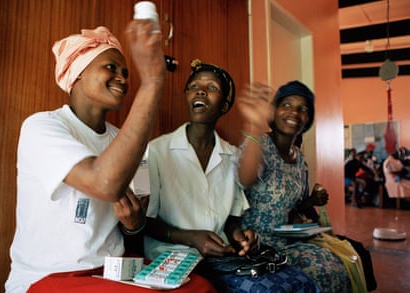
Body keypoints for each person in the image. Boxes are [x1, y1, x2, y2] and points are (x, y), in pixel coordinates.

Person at [4, 23, 168, 292]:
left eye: (126, 72)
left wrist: (134, 226)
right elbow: (104, 182)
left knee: (201, 287)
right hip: (49, 277)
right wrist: (151, 84)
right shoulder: (41, 126)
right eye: (111, 68)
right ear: (78, 74)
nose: (124, 79)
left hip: (111, 274)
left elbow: (137, 231)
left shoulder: (129, 140)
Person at [144, 63, 320, 292]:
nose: (200, 91)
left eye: (212, 87)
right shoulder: (155, 151)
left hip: (222, 260)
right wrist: (191, 238)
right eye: (194, 86)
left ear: (224, 105)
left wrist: (242, 237)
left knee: (303, 283)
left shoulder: (232, 156)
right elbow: (143, 222)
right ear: (187, 96)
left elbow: (232, 221)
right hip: (173, 259)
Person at [237, 80, 352, 292]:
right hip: (255, 247)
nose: (294, 112)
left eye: (303, 109)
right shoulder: (259, 146)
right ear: (273, 111)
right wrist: (253, 124)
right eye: (286, 105)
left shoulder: (299, 159)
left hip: (286, 242)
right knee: (322, 273)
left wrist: (312, 201)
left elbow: (294, 206)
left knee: (338, 265)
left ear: (308, 120)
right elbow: (245, 178)